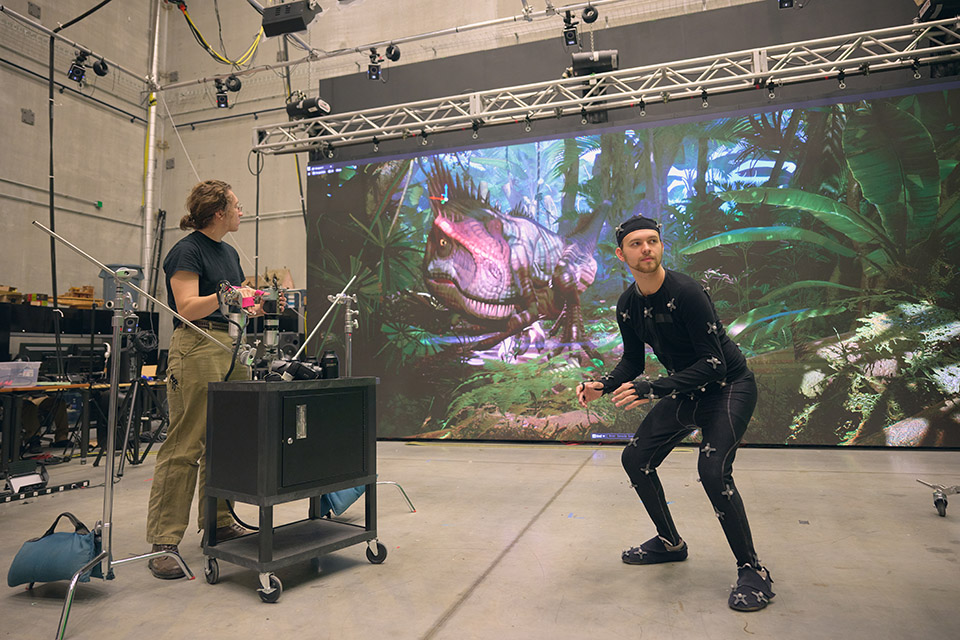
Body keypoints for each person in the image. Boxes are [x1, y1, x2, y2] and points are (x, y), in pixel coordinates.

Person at [576, 215, 775, 612]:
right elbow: (632, 361)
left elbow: (715, 363)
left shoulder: (686, 292)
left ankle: (753, 570)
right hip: (687, 390)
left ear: (661, 246)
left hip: (728, 388)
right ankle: (670, 543)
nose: (646, 249)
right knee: (636, 458)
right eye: (636, 244)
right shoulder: (628, 304)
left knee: (713, 471)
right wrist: (605, 384)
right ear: (621, 254)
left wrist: (654, 388)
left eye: (652, 241)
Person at [146, 180, 261, 580]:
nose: (241, 211)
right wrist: (228, 296)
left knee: (225, 441)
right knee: (185, 443)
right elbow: (188, 306)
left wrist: (253, 303)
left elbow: (236, 299)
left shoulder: (229, 252)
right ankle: (164, 542)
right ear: (218, 213)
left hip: (231, 343)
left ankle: (219, 521)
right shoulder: (187, 250)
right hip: (196, 345)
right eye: (236, 205)